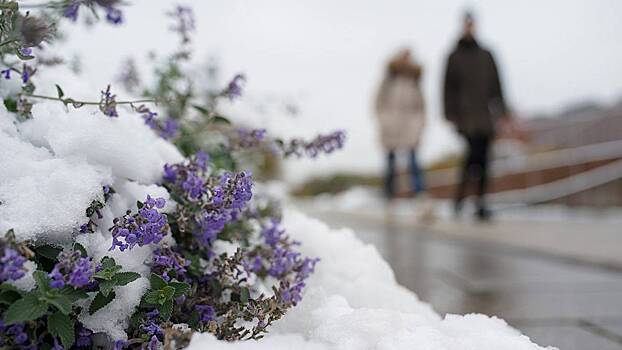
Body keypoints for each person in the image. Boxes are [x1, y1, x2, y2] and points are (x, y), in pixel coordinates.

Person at [443, 12, 508, 220]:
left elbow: (497, 85)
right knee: (471, 159)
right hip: (466, 118)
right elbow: (447, 89)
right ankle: (460, 200)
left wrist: (503, 110)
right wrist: (450, 114)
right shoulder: (454, 56)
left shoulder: (486, 55)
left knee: (484, 160)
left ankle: (480, 203)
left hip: (485, 117)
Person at [375, 48, 426, 200]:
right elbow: (378, 102)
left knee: (414, 160)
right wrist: (384, 119)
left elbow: (422, 106)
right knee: (391, 163)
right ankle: (389, 197)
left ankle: (419, 195)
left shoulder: (415, 81)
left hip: (410, 125)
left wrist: (419, 123)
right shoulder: (389, 80)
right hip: (391, 125)